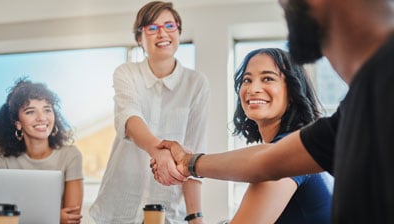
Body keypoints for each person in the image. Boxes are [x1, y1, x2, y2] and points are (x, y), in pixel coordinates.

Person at [156, 0, 394, 223]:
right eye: (247, 81)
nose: (283, 6)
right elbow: (263, 162)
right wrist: (188, 161)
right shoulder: (350, 113)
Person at [89, 1, 210, 223]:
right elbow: (130, 118)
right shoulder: (127, 73)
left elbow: (193, 151)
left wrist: (195, 216)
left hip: (167, 211)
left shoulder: (196, 84)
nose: (162, 33)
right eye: (152, 28)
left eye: (169, 26)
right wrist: (159, 151)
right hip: (118, 208)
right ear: (139, 38)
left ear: (179, 32)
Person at [228, 48, 332, 224]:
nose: (253, 89)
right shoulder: (297, 144)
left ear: (292, 91)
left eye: (267, 78)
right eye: (247, 80)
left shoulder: (288, 154)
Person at [0, 78, 83, 224]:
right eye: (30, 112)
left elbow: (72, 218)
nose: (42, 118)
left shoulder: (70, 155)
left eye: (47, 110)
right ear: (18, 124)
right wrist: (54, 217)